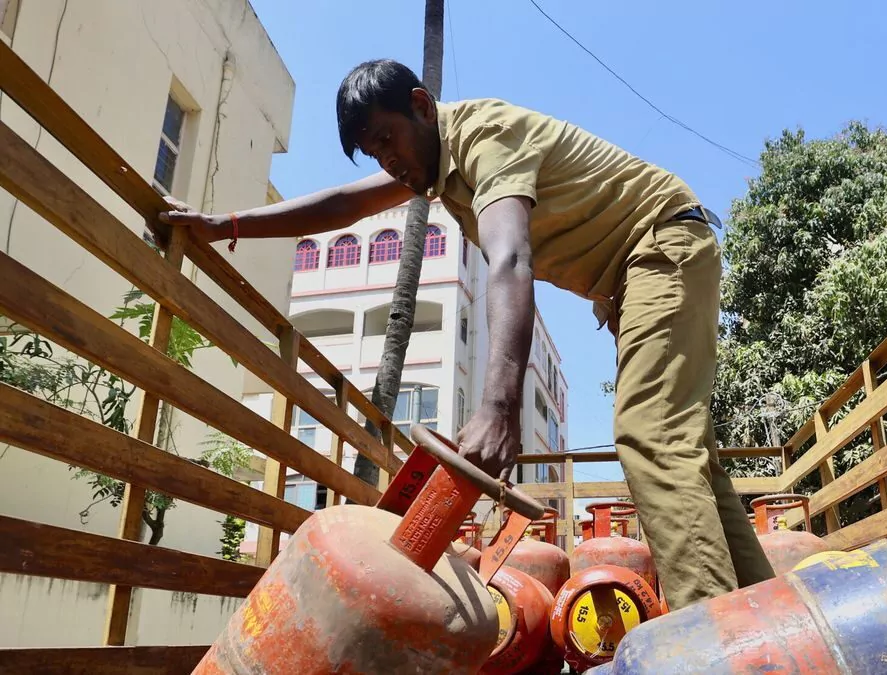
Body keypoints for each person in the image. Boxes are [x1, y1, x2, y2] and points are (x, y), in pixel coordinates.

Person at [160, 59, 774, 609]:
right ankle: (767, 611)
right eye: (374, 152)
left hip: (660, 245)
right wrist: (230, 223)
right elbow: (342, 205)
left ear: (422, 107)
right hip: (641, 270)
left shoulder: (485, 136)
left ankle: (712, 635)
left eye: (388, 139)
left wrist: (499, 408)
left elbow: (509, 260)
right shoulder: (432, 166)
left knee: (651, 434)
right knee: (687, 456)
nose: (388, 161)